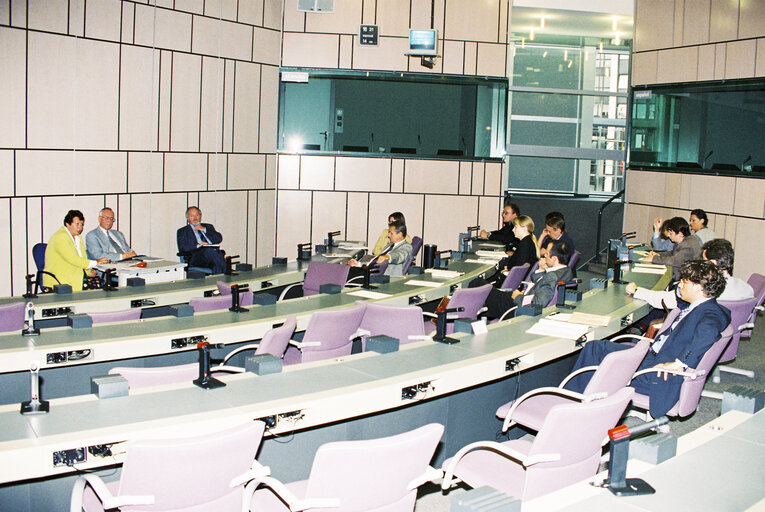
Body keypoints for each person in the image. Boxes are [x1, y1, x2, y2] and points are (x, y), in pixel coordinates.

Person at [569, 259, 730, 418]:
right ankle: (576, 397)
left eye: (684, 282)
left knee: (602, 364)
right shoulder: (699, 305)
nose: (680, 285)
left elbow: (707, 333)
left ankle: (575, 407)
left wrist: (680, 363)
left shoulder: (711, 313)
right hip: (653, 355)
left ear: (698, 287)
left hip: (656, 373)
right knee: (594, 347)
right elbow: (669, 298)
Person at [626, 238, 753, 308]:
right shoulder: (747, 289)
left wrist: (637, 291)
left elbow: (665, 300)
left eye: (704, 260)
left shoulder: (701, 290)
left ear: (713, 263)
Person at [472, 239, 573, 319]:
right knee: (487, 290)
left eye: (547, 253)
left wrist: (518, 297)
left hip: (515, 307)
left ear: (554, 259)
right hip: (521, 299)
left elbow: (539, 303)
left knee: (477, 283)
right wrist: (542, 269)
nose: (544, 255)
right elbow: (539, 282)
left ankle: (472, 317)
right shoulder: (566, 271)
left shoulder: (552, 276)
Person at [43, 210, 109, 291]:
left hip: (73, 275)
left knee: (103, 284)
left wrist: (88, 271)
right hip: (60, 280)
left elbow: (82, 258)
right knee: (98, 288)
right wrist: (95, 263)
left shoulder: (77, 237)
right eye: (77, 224)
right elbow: (73, 259)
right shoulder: (60, 237)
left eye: (82, 224)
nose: (80, 227)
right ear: (67, 224)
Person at [176, 206, 226, 274]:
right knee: (211, 251)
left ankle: (222, 276)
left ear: (200, 217)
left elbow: (218, 238)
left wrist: (204, 230)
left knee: (216, 265)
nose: (195, 218)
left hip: (211, 256)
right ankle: (227, 272)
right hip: (195, 258)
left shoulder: (208, 226)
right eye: (192, 216)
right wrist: (198, 245)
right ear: (188, 219)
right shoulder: (182, 231)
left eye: (197, 215)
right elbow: (182, 248)